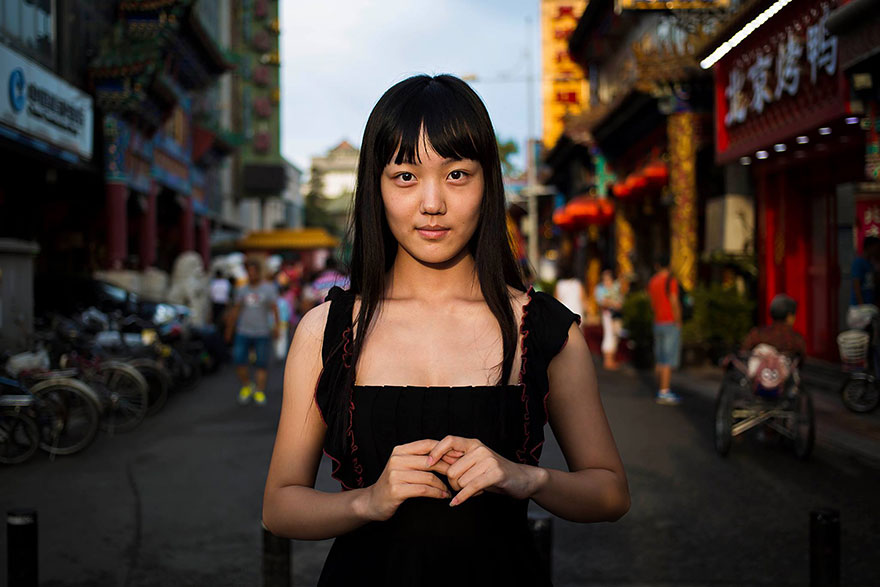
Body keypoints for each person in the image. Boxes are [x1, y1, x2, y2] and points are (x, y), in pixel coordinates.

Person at [262, 74, 629, 586]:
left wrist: (527, 477)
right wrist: (369, 501)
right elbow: (280, 506)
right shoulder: (326, 330)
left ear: (487, 183)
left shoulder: (540, 328)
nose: (432, 203)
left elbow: (610, 494)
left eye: (457, 175)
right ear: (376, 187)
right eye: (405, 176)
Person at [225, 259, 280, 406]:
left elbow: (274, 309)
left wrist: (276, 327)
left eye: (254, 271)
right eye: (249, 271)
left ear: (258, 272)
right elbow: (236, 310)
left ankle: (260, 390)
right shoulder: (242, 290)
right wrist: (229, 329)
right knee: (238, 360)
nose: (252, 274)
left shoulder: (268, 288)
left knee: (261, 363)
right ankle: (247, 385)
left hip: (262, 332)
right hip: (243, 330)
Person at [647, 254, 682, 405]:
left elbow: (651, 302)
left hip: (657, 321)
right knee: (668, 359)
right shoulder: (671, 281)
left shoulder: (653, 281)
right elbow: (674, 300)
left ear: (656, 265)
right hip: (669, 321)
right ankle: (664, 391)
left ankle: (659, 388)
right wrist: (678, 320)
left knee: (660, 358)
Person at [741, 294, 806, 361]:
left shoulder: (757, 334)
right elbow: (804, 364)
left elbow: (743, 354)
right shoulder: (796, 339)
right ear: (789, 317)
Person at [595, 269, 623, 370]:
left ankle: (612, 359)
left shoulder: (615, 288)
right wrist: (612, 303)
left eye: (609, 279)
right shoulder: (600, 289)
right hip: (607, 315)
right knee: (609, 336)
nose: (607, 282)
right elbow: (602, 302)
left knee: (615, 336)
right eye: (605, 279)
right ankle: (608, 360)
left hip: (615, 315)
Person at [553, 259, 588, 323]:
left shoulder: (559, 284)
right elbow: (583, 299)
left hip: (564, 314)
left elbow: (556, 300)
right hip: (577, 312)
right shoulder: (577, 283)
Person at [851, 236, 880, 306]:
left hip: (871, 305)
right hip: (860, 307)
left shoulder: (871, 264)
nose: (878, 250)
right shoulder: (859, 262)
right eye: (876, 248)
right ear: (869, 247)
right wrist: (862, 305)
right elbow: (856, 286)